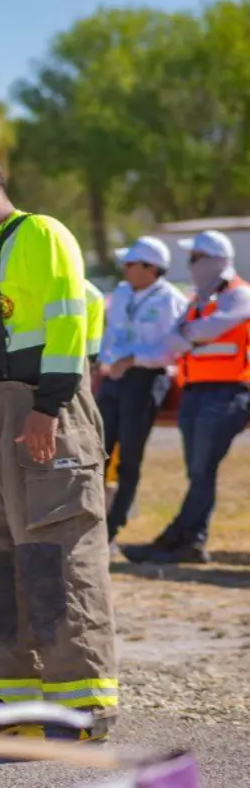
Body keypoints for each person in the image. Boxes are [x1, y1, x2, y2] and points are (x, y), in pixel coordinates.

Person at [0, 146, 117, 741]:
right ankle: (17, 699)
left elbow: (67, 321)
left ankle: (81, 706)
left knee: (57, 556)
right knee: (1, 561)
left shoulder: (40, 235)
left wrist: (48, 407)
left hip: (41, 410)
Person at [123, 229, 250, 565]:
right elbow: (174, 339)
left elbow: (202, 331)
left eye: (195, 258)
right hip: (194, 393)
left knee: (201, 470)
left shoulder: (240, 295)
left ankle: (180, 538)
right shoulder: (199, 300)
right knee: (198, 472)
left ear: (215, 260)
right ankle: (188, 541)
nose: (191, 265)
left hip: (227, 394)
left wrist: (189, 335)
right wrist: (190, 336)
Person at [97, 237, 187, 547]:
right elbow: (110, 334)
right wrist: (106, 362)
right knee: (97, 452)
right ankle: (90, 521)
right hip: (113, 379)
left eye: (131, 263)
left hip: (146, 380)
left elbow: (173, 349)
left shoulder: (170, 300)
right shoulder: (121, 293)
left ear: (151, 268)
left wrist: (135, 359)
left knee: (129, 459)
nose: (125, 268)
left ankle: (112, 526)